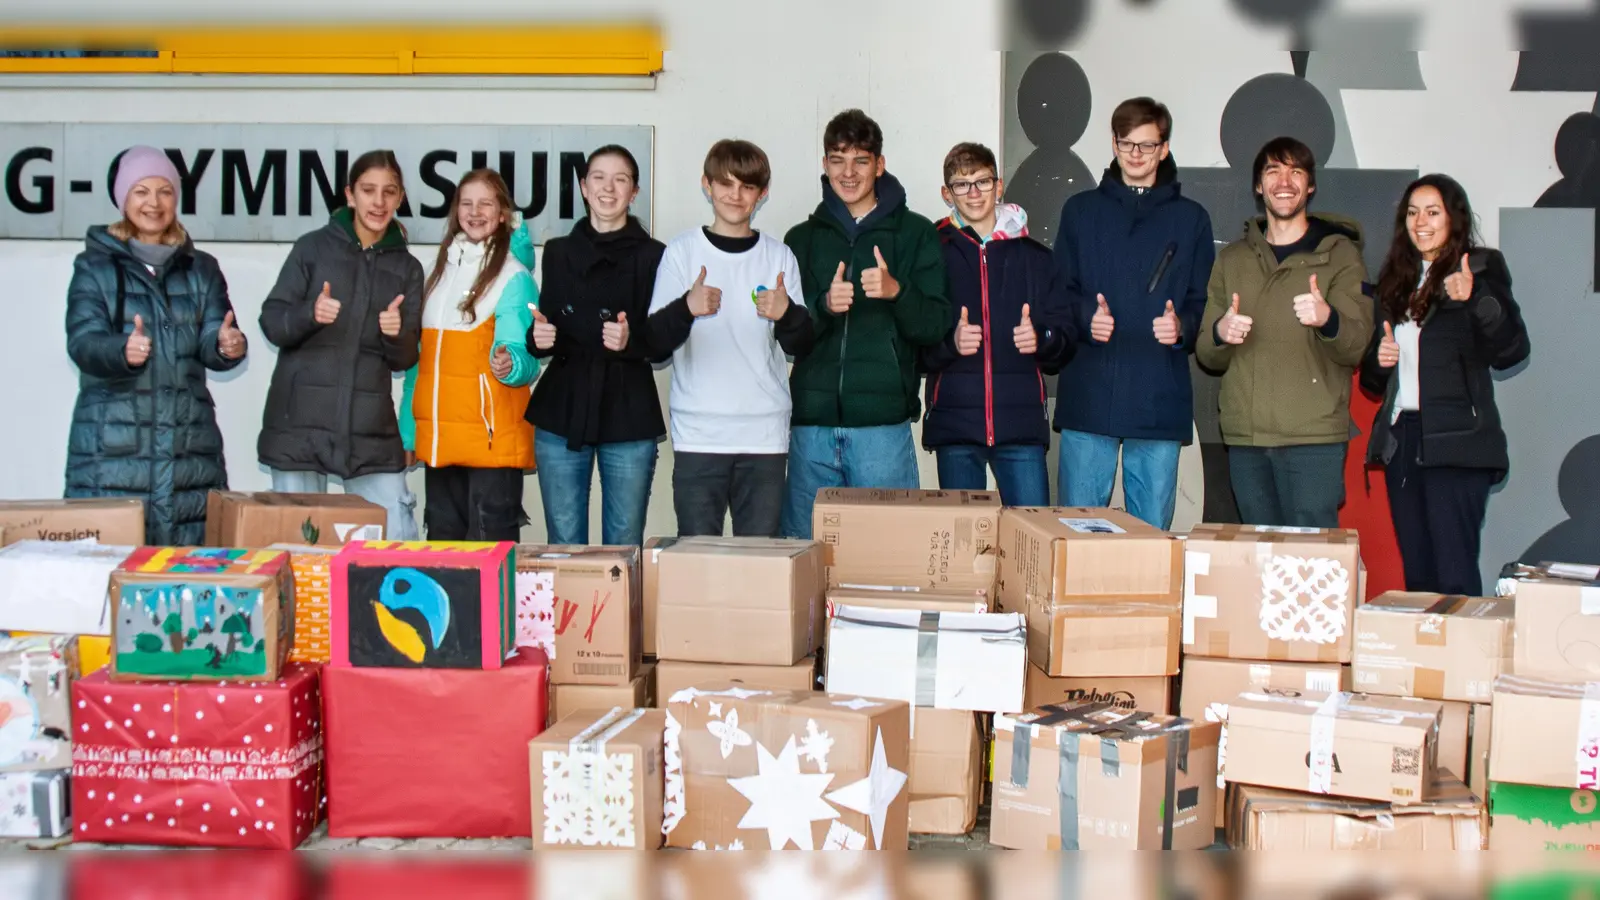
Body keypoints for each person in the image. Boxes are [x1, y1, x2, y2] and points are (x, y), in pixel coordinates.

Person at [781, 109, 952, 539]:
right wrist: (823, 306)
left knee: (890, 557)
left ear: (879, 164)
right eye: (837, 159)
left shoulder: (915, 234)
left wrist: (898, 292)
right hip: (812, 429)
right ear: (824, 165)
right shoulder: (800, 239)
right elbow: (787, 337)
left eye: (860, 160)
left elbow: (935, 326)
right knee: (805, 558)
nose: (849, 172)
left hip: (883, 428)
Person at [64, 145, 247, 545]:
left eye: (164, 191)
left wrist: (228, 345)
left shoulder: (202, 268)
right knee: (109, 580)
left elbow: (215, 333)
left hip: (188, 455)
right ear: (123, 199)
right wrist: (120, 351)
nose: (154, 202)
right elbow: (82, 342)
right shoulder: (94, 266)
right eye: (141, 191)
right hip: (112, 456)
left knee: (186, 584)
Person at [1360, 175, 1530, 595]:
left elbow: (1512, 348)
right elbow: (1372, 379)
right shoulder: (1394, 283)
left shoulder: (1481, 269)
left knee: (1453, 574)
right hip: (1404, 442)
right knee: (1417, 577)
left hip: (1458, 444)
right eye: (1413, 212)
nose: (1421, 221)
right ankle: (1428, 661)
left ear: (1453, 218)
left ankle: (1465, 661)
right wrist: (1379, 363)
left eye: (1432, 211)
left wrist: (1474, 298)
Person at [1052, 98, 1216, 529]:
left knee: (1150, 543)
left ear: (1165, 148)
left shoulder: (1192, 219)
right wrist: (1087, 316)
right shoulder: (1080, 211)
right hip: (1090, 390)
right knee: (1075, 536)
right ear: (1113, 143)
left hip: (1158, 395)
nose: (1136, 155)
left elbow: (1203, 302)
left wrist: (1182, 327)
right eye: (1127, 144)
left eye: (1147, 145)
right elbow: (1058, 292)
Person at [1196, 136, 1373, 529]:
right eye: (1273, 171)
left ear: (1310, 185)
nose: (1284, 181)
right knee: (1259, 559)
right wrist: (1220, 332)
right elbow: (1207, 355)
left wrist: (1328, 318)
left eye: (1296, 172)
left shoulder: (1340, 255)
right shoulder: (1232, 259)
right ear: (1259, 186)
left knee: (1312, 563)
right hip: (1247, 439)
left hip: (1313, 440)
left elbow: (1357, 346)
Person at [647, 140, 814, 537]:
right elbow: (652, 347)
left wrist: (786, 313)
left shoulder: (779, 256)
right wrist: (686, 307)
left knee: (759, 565)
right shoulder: (682, 252)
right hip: (699, 434)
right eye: (725, 184)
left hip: (765, 436)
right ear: (706, 185)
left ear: (763, 193)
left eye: (747, 186)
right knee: (697, 562)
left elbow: (802, 345)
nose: (735, 195)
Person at [258, 150, 425, 540]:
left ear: (400, 198)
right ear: (351, 195)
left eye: (389, 192)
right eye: (369, 190)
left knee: (395, 542)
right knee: (297, 550)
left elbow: (405, 357)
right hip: (299, 424)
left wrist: (395, 332)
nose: (378, 202)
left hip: (370, 430)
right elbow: (272, 322)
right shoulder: (312, 248)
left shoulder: (407, 268)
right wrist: (309, 315)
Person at [515, 145, 666, 546]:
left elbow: (664, 343)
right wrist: (537, 340)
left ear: (635, 192)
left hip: (629, 410)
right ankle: (569, 613)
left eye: (621, 179)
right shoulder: (560, 251)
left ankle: (621, 613)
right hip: (563, 408)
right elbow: (548, 326)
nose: (608, 188)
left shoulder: (655, 255)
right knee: (563, 542)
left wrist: (632, 340)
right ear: (583, 187)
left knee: (624, 541)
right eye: (598, 177)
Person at [919, 142, 1073, 506]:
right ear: (946, 193)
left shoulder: (1037, 259)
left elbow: (1065, 338)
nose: (973, 193)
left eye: (982, 182)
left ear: (999, 186)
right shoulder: (930, 254)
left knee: (1031, 541)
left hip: (1021, 429)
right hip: (955, 428)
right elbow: (913, 344)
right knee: (960, 551)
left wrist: (1041, 339)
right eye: (961, 184)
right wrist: (949, 343)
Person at [399, 168, 540, 542]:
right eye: (467, 203)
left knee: (490, 559)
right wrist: (409, 433)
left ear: (503, 215)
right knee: (444, 556)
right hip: (440, 443)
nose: (475, 212)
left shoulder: (514, 275)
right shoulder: (435, 271)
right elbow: (418, 364)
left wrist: (511, 365)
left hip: (492, 446)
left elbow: (526, 357)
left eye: (486, 204)